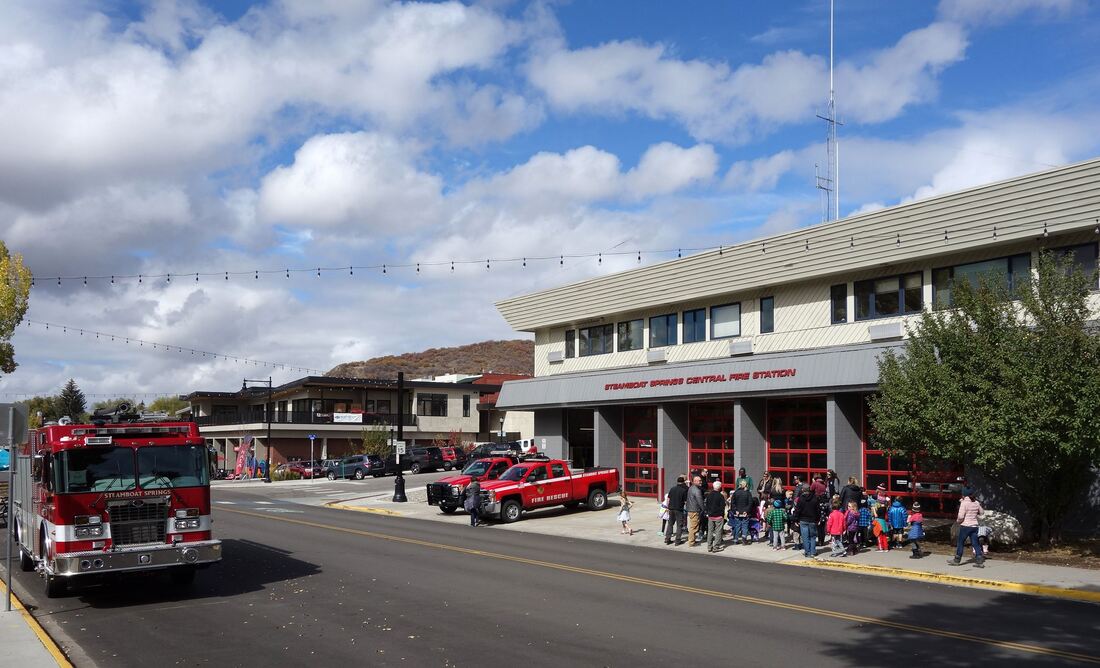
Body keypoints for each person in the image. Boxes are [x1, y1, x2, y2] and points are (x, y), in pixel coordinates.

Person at [950, 488, 985, 568]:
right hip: (974, 526)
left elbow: (960, 516)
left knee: (960, 542)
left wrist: (958, 521)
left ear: (964, 495)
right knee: (975, 543)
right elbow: (982, 512)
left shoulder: (964, 503)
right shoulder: (976, 502)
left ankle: (957, 560)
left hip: (965, 526)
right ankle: (979, 560)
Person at [793, 485, 820, 558]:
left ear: (802, 490)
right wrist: (818, 519)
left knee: (805, 537)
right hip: (812, 520)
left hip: (803, 519)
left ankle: (807, 552)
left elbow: (798, 510)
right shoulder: (815, 498)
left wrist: (796, 519)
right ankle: (813, 551)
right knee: (813, 536)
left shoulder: (801, 499)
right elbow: (818, 510)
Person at [665, 476, 688, 545]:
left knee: (670, 524)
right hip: (679, 509)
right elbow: (685, 501)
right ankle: (677, 541)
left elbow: (668, 499)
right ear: (683, 482)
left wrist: (667, 507)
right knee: (679, 525)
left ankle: (667, 539)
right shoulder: (683, 490)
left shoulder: (672, 489)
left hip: (671, 509)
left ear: (677, 482)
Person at [729, 479, 754, 545]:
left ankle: (736, 539)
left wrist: (735, 510)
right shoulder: (748, 493)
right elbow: (750, 503)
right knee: (745, 526)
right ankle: (744, 539)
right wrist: (747, 511)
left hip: (737, 512)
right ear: (746, 485)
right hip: (745, 513)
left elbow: (732, 503)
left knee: (737, 526)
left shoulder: (736, 493)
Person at [705, 480, 727, 553]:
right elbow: (722, 506)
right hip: (718, 516)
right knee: (718, 532)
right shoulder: (720, 496)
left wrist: (708, 512)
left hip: (711, 515)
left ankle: (709, 546)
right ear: (719, 487)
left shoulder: (709, 495)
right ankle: (716, 546)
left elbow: (707, 505)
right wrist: (722, 514)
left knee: (710, 531)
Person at [686, 475, 705, 547]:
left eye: (701, 480)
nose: (701, 482)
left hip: (690, 509)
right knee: (694, 527)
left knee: (692, 526)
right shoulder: (697, 490)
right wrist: (704, 509)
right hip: (695, 510)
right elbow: (700, 501)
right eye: (699, 481)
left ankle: (692, 540)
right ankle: (691, 542)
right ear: (695, 481)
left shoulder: (691, 488)